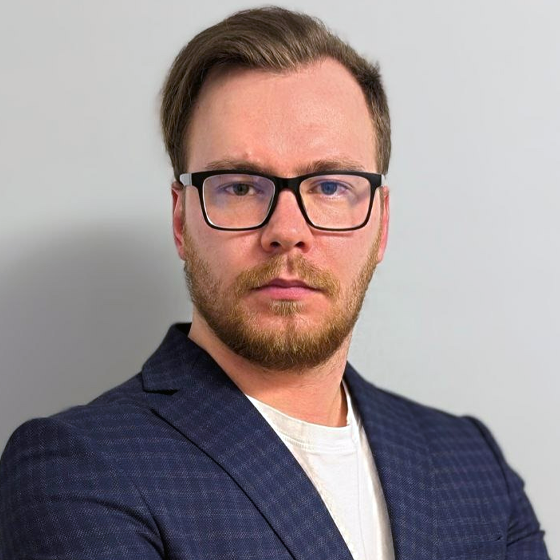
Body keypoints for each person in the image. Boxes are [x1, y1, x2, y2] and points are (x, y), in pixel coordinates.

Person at [0, 6, 549, 560]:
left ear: (381, 224)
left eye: (330, 187)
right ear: (181, 221)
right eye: (239, 187)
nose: (287, 232)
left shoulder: (473, 463)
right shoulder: (78, 470)